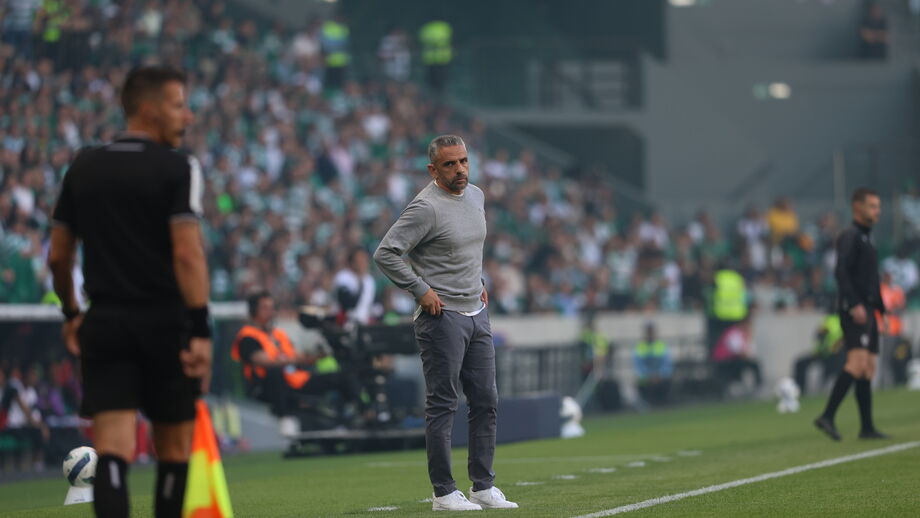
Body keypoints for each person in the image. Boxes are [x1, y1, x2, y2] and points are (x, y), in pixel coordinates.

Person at [47, 65, 213, 518]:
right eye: (179, 105)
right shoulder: (179, 168)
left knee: (113, 449)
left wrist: (71, 314)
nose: (188, 117)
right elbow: (187, 256)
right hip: (166, 323)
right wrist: (199, 328)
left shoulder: (83, 166)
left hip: (106, 322)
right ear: (148, 109)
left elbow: (59, 258)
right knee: (173, 448)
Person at [374, 135, 517, 511]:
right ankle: (443, 492)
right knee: (443, 404)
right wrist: (420, 290)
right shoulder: (425, 207)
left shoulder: (477, 196)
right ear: (433, 169)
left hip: (476, 309)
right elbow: (386, 253)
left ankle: (483, 486)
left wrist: (479, 281)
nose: (460, 170)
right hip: (441, 317)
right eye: (450, 164)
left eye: (464, 161)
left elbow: (466, 248)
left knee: (486, 399)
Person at [815, 188, 889, 441]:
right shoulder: (850, 236)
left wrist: (881, 309)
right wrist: (855, 303)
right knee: (857, 363)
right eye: (872, 206)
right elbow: (841, 272)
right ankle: (827, 415)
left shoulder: (868, 238)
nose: (877, 211)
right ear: (857, 208)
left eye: (878, 206)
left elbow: (872, 279)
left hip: (868, 309)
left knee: (868, 367)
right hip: (854, 309)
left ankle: (866, 428)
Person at [230, 291, 360, 419]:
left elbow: (294, 355)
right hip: (268, 386)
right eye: (264, 308)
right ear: (253, 311)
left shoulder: (278, 334)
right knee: (275, 372)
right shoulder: (247, 336)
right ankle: (282, 416)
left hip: (296, 379)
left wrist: (315, 356)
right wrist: (296, 360)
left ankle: (355, 414)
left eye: (271, 308)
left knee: (342, 377)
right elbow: (264, 361)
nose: (270, 312)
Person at [792, 313, 845, 394]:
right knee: (800, 363)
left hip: (834, 355)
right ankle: (800, 390)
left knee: (834, 365)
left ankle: (827, 388)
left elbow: (840, 341)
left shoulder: (837, 322)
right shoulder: (828, 320)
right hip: (821, 354)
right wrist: (817, 352)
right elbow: (819, 340)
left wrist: (833, 349)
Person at [711, 315, 762, 394]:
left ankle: (758, 386)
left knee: (755, 364)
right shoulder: (733, 333)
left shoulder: (745, 335)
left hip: (735, 359)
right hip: (724, 359)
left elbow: (751, 352)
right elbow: (737, 351)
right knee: (746, 364)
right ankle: (739, 386)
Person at [332, 248, 376, 325]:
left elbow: (369, 305)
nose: (364, 263)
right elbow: (347, 304)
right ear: (352, 262)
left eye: (365, 259)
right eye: (360, 260)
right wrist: (361, 285)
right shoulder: (343, 277)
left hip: (363, 324)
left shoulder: (369, 280)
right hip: (343, 324)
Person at [633, 323, 673, 406]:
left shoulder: (661, 345)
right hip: (646, 378)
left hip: (661, 377)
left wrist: (659, 375)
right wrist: (649, 376)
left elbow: (667, 364)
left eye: (651, 333)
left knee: (667, 381)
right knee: (640, 382)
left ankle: (664, 403)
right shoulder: (640, 347)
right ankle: (646, 403)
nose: (650, 335)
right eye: (648, 333)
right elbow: (638, 366)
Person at [418, 20, 452, 94]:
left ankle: (434, 96)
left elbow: (421, 40)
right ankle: (441, 95)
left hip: (430, 59)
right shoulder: (444, 26)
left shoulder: (426, 28)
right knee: (442, 82)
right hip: (442, 58)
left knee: (432, 82)